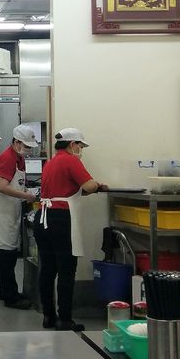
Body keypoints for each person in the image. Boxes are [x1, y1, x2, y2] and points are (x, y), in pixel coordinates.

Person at [33, 128, 107, 332]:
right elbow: (89, 186)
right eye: (80, 146)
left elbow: (67, 190)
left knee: (48, 269)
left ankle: (49, 316)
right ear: (72, 144)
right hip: (61, 219)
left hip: (43, 217)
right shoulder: (70, 160)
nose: (81, 150)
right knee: (66, 269)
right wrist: (98, 185)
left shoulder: (51, 162)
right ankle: (65, 319)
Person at [0, 124, 39, 309]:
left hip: (10, 207)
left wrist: (25, 192)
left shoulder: (19, 158)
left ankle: (7, 292)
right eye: (26, 146)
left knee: (9, 252)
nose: (28, 149)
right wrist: (26, 196)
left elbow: (16, 183)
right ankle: (10, 297)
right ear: (16, 142)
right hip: (1, 207)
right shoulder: (7, 158)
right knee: (4, 254)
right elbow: (1, 186)